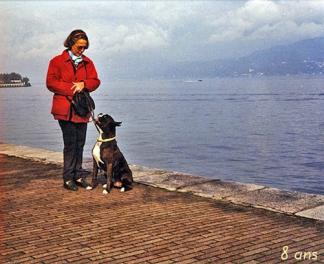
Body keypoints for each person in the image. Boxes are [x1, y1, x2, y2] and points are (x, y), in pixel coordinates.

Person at [46, 29, 100, 191]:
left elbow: (95, 81)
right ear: (71, 44)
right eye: (79, 47)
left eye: (84, 47)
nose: (82, 50)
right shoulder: (56, 61)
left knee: (80, 143)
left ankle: (78, 175)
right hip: (65, 109)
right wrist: (72, 88)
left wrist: (84, 84)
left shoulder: (88, 62)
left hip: (82, 109)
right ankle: (68, 177)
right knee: (70, 143)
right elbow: (51, 83)